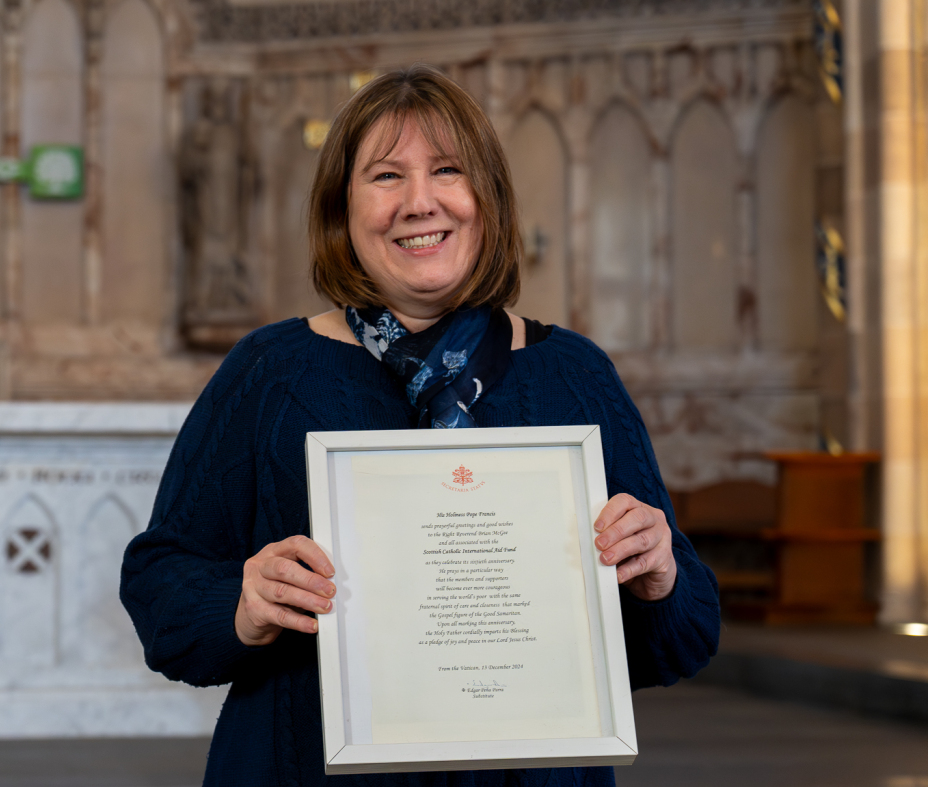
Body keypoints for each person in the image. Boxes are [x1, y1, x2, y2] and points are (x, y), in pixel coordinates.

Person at [120, 64, 719, 787]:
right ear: (342, 209)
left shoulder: (576, 376)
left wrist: (659, 574)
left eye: (446, 169)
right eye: (384, 176)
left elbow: (683, 639)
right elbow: (159, 582)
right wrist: (239, 603)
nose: (419, 201)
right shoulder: (267, 373)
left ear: (486, 199)